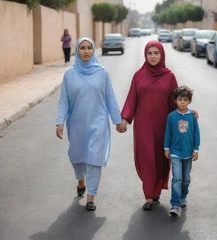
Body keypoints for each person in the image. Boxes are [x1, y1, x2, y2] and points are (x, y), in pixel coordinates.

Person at [56, 36, 125, 211]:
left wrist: (117, 120)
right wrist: (60, 122)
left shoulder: (102, 73)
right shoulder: (69, 75)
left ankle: (91, 196)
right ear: (77, 51)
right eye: (82, 48)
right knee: (77, 157)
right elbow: (64, 100)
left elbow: (110, 97)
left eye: (89, 48)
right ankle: (81, 180)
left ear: (94, 50)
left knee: (95, 159)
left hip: (99, 123)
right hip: (77, 124)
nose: (86, 51)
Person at [119, 40, 178, 211]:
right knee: (146, 158)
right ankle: (149, 196)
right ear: (145, 55)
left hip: (163, 126)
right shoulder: (139, 76)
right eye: (149, 53)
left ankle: (156, 189)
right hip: (143, 126)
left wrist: (187, 115)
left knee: (160, 159)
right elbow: (131, 99)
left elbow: (177, 103)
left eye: (156, 53)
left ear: (162, 54)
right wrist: (124, 119)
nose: (152, 56)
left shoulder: (170, 77)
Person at [164, 85, 200, 217]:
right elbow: (167, 133)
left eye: (185, 100)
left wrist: (196, 149)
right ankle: (175, 204)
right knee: (177, 178)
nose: (182, 102)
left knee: (186, 179)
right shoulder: (171, 116)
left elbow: (197, 134)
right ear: (176, 101)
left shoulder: (192, 116)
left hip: (188, 153)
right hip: (175, 153)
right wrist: (166, 148)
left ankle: (183, 196)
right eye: (180, 99)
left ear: (189, 101)